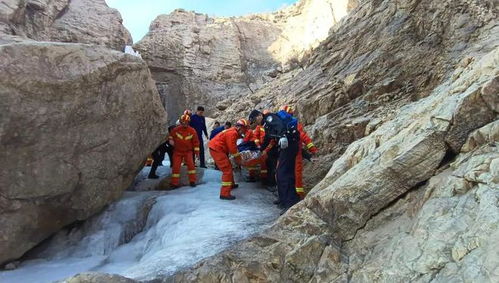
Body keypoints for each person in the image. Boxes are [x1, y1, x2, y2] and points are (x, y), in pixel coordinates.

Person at [249, 108, 300, 214]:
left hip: (288, 145)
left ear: (259, 116)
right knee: (281, 173)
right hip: (285, 146)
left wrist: (283, 136)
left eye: (255, 120)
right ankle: (283, 199)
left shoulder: (269, 118)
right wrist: (261, 149)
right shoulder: (266, 125)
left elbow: (279, 126)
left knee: (283, 174)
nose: (256, 123)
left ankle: (290, 202)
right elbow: (268, 138)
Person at [280, 105, 318, 199]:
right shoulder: (285, 124)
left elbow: (304, 137)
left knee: (294, 175)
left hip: (294, 153)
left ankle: (297, 196)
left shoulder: (292, 124)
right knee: (287, 174)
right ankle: (286, 196)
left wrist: (312, 150)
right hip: (289, 152)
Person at [209, 119, 249, 200]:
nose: (244, 132)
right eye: (244, 130)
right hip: (217, 149)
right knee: (227, 170)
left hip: (218, 148)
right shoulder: (232, 133)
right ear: (240, 128)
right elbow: (233, 148)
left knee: (229, 167)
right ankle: (224, 194)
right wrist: (239, 159)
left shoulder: (233, 132)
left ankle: (231, 184)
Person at [169, 114, 200, 188]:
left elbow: (196, 143)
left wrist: (197, 153)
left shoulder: (192, 131)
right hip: (177, 151)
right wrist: (171, 140)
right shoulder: (176, 129)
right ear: (181, 122)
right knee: (176, 167)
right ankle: (174, 183)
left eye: (186, 122)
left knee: (191, 166)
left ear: (188, 122)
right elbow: (171, 136)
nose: (185, 124)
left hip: (188, 152)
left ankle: (192, 181)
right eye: (183, 122)